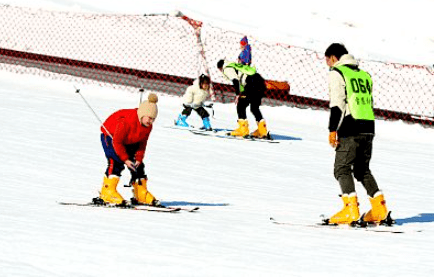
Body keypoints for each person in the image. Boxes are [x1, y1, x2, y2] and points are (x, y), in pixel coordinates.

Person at [324, 43, 390, 225]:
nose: (327, 65)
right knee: (362, 170)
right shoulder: (364, 75)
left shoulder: (337, 73)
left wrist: (332, 130)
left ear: (334, 58)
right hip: (368, 127)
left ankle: (350, 209)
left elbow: (337, 104)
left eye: (327, 61)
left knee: (341, 168)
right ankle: (379, 208)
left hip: (350, 127)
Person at [94, 93, 160, 206]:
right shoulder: (126, 122)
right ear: (142, 114)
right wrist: (125, 159)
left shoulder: (148, 126)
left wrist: (138, 157)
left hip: (129, 140)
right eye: (149, 118)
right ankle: (107, 192)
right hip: (111, 137)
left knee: (138, 165)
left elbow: (142, 142)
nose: (151, 121)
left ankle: (140, 193)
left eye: (153, 119)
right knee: (116, 161)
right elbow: (117, 142)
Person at [217, 59, 269, 138]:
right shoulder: (234, 65)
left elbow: (235, 80)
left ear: (220, 68)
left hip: (251, 82)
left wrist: (238, 95)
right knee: (254, 108)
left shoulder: (226, 68)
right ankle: (262, 131)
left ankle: (243, 129)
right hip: (260, 82)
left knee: (241, 105)